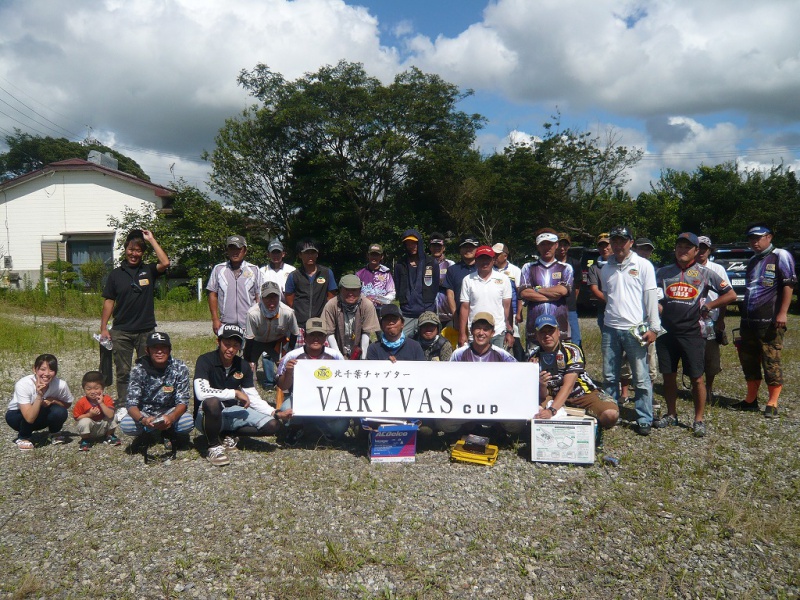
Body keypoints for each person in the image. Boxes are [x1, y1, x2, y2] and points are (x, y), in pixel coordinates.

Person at [654, 233, 736, 437]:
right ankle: (671, 414)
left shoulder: (705, 273)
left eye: (687, 247)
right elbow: (653, 295)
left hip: (693, 333)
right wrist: (657, 307)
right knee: (668, 376)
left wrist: (710, 305)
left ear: (696, 251)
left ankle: (698, 419)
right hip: (666, 333)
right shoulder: (663, 272)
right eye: (679, 246)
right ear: (675, 249)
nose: (683, 250)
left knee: (697, 378)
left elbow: (731, 294)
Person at [195, 325, 291, 466]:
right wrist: (234, 393)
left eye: (235, 345)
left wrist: (275, 412)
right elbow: (201, 392)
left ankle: (228, 434)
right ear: (218, 342)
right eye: (227, 344)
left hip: (232, 412)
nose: (231, 349)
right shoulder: (205, 360)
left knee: (272, 425)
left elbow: (252, 397)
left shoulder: (243, 365)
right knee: (212, 402)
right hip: (206, 415)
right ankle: (214, 446)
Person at [599, 225, 661, 436]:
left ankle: (644, 417)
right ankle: (610, 412)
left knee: (641, 376)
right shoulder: (606, 267)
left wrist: (654, 327)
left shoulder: (643, 265)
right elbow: (608, 296)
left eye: (622, 241)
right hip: (610, 328)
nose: (618, 245)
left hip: (635, 329)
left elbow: (651, 298)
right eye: (614, 241)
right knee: (609, 375)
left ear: (631, 243)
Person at [731, 223, 797, 417]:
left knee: (771, 360)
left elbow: (788, 285)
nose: (754, 242)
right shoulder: (752, 260)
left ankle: (773, 402)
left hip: (770, 320)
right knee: (748, 360)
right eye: (751, 238)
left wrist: (783, 313)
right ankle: (750, 400)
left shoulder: (780, 255)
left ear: (769, 237)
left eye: (758, 238)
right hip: (750, 320)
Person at [100, 228, 170, 408]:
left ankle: (147, 402)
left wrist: (152, 239)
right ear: (125, 250)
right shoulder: (116, 274)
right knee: (123, 371)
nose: (134, 254)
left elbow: (165, 262)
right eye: (131, 249)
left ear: (142, 252)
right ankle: (124, 404)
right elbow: (109, 301)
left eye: (138, 250)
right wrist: (103, 328)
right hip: (121, 331)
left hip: (146, 331)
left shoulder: (148, 270)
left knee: (148, 369)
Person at [530, 315, 619, 444]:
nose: (547, 335)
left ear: (558, 332)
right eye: (542, 332)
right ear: (537, 336)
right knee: (534, 412)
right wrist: (541, 384)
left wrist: (551, 411)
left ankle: (592, 423)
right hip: (552, 395)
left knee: (611, 415)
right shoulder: (532, 357)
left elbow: (569, 385)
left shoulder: (572, 350)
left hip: (581, 393)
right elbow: (541, 394)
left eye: (550, 331)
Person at [436, 312, 520, 437]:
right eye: (478, 328)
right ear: (471, 330)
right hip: (466, 406)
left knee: (517, 424)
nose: (481, 333)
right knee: (444, 423)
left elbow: (519, 375)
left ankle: (497, 428)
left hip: (495, 406)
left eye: (486, 329)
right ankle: (467, 427)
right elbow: (449, 380)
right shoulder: (459, 354)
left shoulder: (502, 355)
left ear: (492, 333)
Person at [276, 318, 348, 445]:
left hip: (328, 398)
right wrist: (288, 372)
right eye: (312, 335)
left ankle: (316, 424)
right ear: (304, 336)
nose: (316, 339)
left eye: (320, 335)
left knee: (340, 427)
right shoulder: (292, 356)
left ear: (325, 337)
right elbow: (283, 386)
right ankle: (297, 427)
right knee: (286, 408)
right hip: (299, 398)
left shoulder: (335, 356)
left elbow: (344, 382)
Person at [119, 332, 194, 451]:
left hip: (169, 410)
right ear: (147, 350)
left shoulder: (180, 367)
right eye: (155, 348)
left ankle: (169, 432)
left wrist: (171, 417)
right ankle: (145, 434)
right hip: (146, 413)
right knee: (126, 425)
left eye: (163, 347)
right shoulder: (138, 369)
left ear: (169, 349)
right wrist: (143, 420)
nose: (159, 351)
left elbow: (183, 402)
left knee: (187, 422)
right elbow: (131, 403)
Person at [518, 228, 573, 350]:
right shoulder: (528, 267)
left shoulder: (566, 268)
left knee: (561, 365)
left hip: (560, 327)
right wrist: (553, 295)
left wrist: (536, 289)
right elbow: (524, 292)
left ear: (556, 245)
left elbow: (563, 291)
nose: (547, 247)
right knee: (534, 365)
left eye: (550, 244)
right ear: (538, 246)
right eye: (543, 244)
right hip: (534, 329)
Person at [6, 354, 73, 449]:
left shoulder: (61, 385)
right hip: (17, 416)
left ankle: (54, 433)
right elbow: (29, 418)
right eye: (42, 369)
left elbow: (67, 404)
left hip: (41, 416)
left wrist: (53, 400)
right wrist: (39, 395)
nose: (47, 373)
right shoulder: (23, 384)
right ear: (34, 369)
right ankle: (23, 437)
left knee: (60, 411)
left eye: (51, 370)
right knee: (32, 412)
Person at [243, 281, 299, 389]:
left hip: (276, 342)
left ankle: (286, 391)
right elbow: (249, 339)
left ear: (279, 297)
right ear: (261, 298)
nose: (271, 301)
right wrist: (248, 360)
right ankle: (249, 392)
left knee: (286, 367)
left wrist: (288, 353)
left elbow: (294, 333)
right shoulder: (252, 313)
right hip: (256, 341)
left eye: (274, 297)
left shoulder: (288, 312)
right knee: (248, 368)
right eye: (267, 298)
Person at [696, 235, 732, 402]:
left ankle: (709, 388)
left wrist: (721, 319)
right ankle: (697, 387)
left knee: (711, 358)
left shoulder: (717, 269)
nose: (701, 251)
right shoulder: (688, 268)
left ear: (709, 250)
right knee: (693, 355)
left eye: (705, 248)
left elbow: (727, 295)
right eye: (699, 247)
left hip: (711, 318)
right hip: (692, 320)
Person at [459, 245, 513, 349]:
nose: (484, 262)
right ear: (476, 260)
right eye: (481, 258)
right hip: (475, 333)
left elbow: (507, 308)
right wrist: (462, 333)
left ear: (493, 260)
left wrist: (509, 331)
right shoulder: (467, 280)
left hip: (498, 332)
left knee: (498, 364)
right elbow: (464, 308)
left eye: (487, 259)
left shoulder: (504, 279)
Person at [207, 234, 263, 334]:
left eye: (238, 249)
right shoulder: (218, 269)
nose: (235, 252)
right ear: (227, 251)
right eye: (232, 249)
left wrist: (259, 318)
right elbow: (212, 294)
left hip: (249, 323)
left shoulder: (254, 270)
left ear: (245, 251)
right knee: (227, 350)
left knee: (249, 350)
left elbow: (259, 296)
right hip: (225, 324)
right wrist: (215, 319)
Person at [322, 274, 381, 359]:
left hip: (359, 348)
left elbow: (366, 332)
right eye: (346, 290)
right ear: (340, 289)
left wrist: (364, 356)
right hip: (336, 348)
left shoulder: (367, 305)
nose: (350, 294)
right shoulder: (331, 305)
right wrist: (338, 355)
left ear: (360, 290)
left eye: (354, 290)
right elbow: (329, 333)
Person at [394, 229, 439, 337]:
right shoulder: (400, 264)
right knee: (400, 339)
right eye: (408, 244)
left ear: (419, 243)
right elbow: (397, 284)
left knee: (428, 341)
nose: (411, 246)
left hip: (427, 311)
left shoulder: (431, 262)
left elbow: (435, 285)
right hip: (407, 312)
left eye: (414, 243)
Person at [285, 239, 337, 331]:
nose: (310, 256)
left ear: (317, 254)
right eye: (306, 253)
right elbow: (290, 300)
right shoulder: (294, 276)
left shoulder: (327, 273)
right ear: (300, 255)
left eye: (313, 252)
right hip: (299, 325)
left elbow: (331, 298)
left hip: (321, 323)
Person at [633, 237, 659, 386]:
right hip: (631, 320)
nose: (645, 252)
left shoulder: (654, 269)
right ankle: (626, 389)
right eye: (642, 248)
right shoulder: (627, 268)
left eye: (648, 249)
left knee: (650, 357)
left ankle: (650, 390)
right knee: (627, 360)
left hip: (647, 320)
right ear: (635, 249)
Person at [72, 371, 119, 451]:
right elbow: (77, 418)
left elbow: (110, 415)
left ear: (102, 388)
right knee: (84, 421)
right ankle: (85, 440)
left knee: (114, 417)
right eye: (89, 389)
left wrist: (101, 403)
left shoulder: (107, 399)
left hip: (104, 427)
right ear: (84, 389)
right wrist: (89, 415)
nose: (93, 392)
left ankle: (109, 435)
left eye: (96, 388)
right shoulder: (81, 402)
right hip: (90, 430)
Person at [442, 235, 479, 335]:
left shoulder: (483, 268)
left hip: (480, 316)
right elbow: (450, 295)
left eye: (471, 247)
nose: (468, 249)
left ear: (477, 249)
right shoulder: (453, 270)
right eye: (465, 247)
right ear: (460, 250)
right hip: (460, 316)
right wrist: (456, 317)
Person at [555, 233, 582, 348]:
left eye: (565, 245)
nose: (562, 248)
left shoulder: (575, 263)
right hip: (554, 306)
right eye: (560, 245)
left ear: (569, 246)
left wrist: (572, 300)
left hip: (570, 307)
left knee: (575, 338)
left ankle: (577, 361)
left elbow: (577, 285)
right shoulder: (551, 263)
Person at [430, 232, 455, 327]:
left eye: (439, 246)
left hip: (447, 312)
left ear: (443, 248)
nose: (436, 249)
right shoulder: (424, 264)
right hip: (430, 311)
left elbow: (453, 284)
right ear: (430, 248)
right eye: (434, 246)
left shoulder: (450, 264)